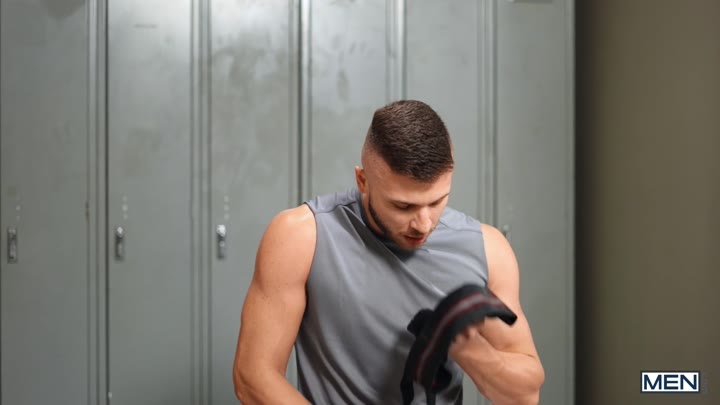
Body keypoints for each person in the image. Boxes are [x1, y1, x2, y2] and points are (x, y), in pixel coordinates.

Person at [233, 100, 545, 404]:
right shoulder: (301, 236)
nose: (423, 224)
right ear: (363, 180)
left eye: (437, 202)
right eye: (403, 206)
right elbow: (253, 377)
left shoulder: (487, 249)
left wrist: (471, 349)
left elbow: (525, 395)